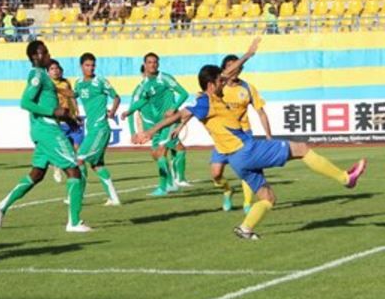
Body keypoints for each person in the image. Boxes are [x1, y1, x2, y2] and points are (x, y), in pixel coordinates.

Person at [134, 37, 367, 240]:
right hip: (246, 149)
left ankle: (246, 228)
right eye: (219, 80)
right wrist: (150, 132)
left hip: (237, 161)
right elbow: (176, 115)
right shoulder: (206, 101)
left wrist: (247, 54)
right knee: (302, 148)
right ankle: (346, 179)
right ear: (210, 84)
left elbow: (192, 104)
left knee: (268, 197)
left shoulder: (203, 98)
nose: (224, 81)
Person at [0, 41, 90, 232]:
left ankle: (0, 207)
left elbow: (53, 106)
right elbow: (25, 102)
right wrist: (53, 110)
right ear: (35, 56)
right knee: (74, 170)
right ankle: (74, 223)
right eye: (44, 52)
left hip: (42, 129)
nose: (49, 55)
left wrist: (69, 119)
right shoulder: (36, 75)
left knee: (37, 174)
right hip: (47, 130)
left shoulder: (43, 76)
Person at [120, 52, 191, 196]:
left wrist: (173, 107)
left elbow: (184, 93)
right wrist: (129, 111)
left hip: (168, 122)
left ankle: (164, 187)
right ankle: (171, 183)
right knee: (157, 154)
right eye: (149, 62)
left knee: (162, 151)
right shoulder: (144, 85)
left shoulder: (165, 78)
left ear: (158, 64)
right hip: (155, 126)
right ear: (144, 65)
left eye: (155, 62)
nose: (152, 65)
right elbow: (142, 101)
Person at [210, 54, 272, 214]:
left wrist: (268, 136)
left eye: (238, 66)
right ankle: (227, 190)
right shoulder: (218, 87)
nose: (235, 69)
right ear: (224, 69)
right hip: (223, 136)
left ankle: (247, 204)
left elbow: (261, 112)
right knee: (216, 174)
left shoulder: (248, 88)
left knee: (248, 170)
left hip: (244, 134)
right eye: (231, 66)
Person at [74, 52, 122, 206]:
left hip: (100, 128)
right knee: (97, 165)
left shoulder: (101, 81)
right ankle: (114, 198)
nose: (91, 68)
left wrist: (112, 112)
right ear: (81, 66)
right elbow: (73, 95)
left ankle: (77, 196)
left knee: (79, 159)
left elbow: (116, 97)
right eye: (87, 65)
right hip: (91, 128)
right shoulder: (79, 83)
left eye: (93, 65)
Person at [48, 59, 84, 182]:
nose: (55, 71)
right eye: (52, 69)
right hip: (58, 121)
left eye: (57, 68)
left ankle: (77, 175)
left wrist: (76, 111)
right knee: (63, 149)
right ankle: (58, 167)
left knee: (77, 150)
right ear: (48, 72)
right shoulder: (47, 84)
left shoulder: (65, 82)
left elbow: (72, 97)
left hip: (71, 119)